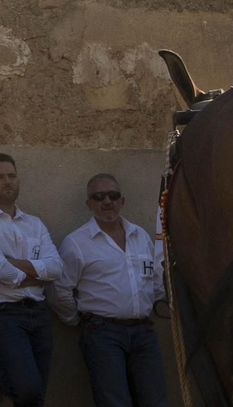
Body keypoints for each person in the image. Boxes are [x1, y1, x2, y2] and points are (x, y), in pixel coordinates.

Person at [51, 174, 167, 407]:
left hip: (144, 334)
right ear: (89, 203)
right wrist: (78, 320)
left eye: (113, 196)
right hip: (103, 335)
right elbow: (59, 290)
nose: (107, 201)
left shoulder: (141, 236)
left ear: (122, 201)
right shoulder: (76, 243)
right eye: (98, 196)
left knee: (155, 402)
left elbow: (155, 280)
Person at [0, 153, 61, 407]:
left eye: (12, 176)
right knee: (28, 390)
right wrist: (38, 278)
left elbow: (57, 268)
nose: (7, 182)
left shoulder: (34, 224)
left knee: (35, 395)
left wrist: (12, 265)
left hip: (38, 314)